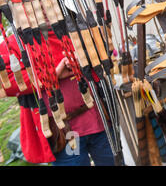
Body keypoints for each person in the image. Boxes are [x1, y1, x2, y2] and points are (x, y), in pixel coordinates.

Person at [0, 29, 115, 166]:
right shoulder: (14, 43)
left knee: (112, 162)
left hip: (98, 119)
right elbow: (6, 83)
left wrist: (84, 58)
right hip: (66, 132)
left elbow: (103, 48)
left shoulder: (70, 24)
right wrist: (53, 74)